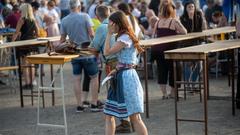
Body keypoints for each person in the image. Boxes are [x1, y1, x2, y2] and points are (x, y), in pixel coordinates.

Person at [103, 11, 148, 135]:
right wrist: (117, 69)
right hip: (123, 74)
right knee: (109, 114)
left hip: (126, 78)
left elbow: (107, 52)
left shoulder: (125, 37)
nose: (110, 26)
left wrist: (108, 34)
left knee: (135, 117)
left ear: (118, 23)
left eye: (111, 24)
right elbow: (127, 60)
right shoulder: (126, 36)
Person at [60, 0, 100, 112]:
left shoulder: (64, 20)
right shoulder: (85, 16)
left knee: (77, 79)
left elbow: (62, 40)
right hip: (87, 52)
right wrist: (97, 48)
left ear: (69, 7)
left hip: (74, 54)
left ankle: (79, 105)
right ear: (79, 6)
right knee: (94, 77)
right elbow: (92, 34)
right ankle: (94, 103)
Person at [151, 3, 187, 99]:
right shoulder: (174, 21)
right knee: (175, 70)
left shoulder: (158, 22)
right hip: (171, 50)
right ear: (172, 11)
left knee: (162, 71)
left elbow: (153, 35)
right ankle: (173, 93)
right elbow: (185, 31)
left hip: (158, 50)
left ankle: (164, 94)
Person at [180, 0, 207, 91]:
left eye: (192, 7)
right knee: (188, 64)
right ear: (185, 9)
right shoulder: (182, 18)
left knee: (199, 65)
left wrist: (203, 18)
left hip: (197, 43)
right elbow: (189, 32)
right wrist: (190, 19)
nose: (191, 8)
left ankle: (193, 83)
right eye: (189, 7)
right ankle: (188, 85)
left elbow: (204, 29)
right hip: (186, 44)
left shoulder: (199, 16)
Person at [12, 3, 39, 89]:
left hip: (24, 43)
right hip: (32, 43)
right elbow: (38, 32)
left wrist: (12, 41)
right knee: (31, 63)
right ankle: (32, 82)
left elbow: (16, 32)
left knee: (25, 64)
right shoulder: (33, 19)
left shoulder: (22, 20)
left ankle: (27, 83)